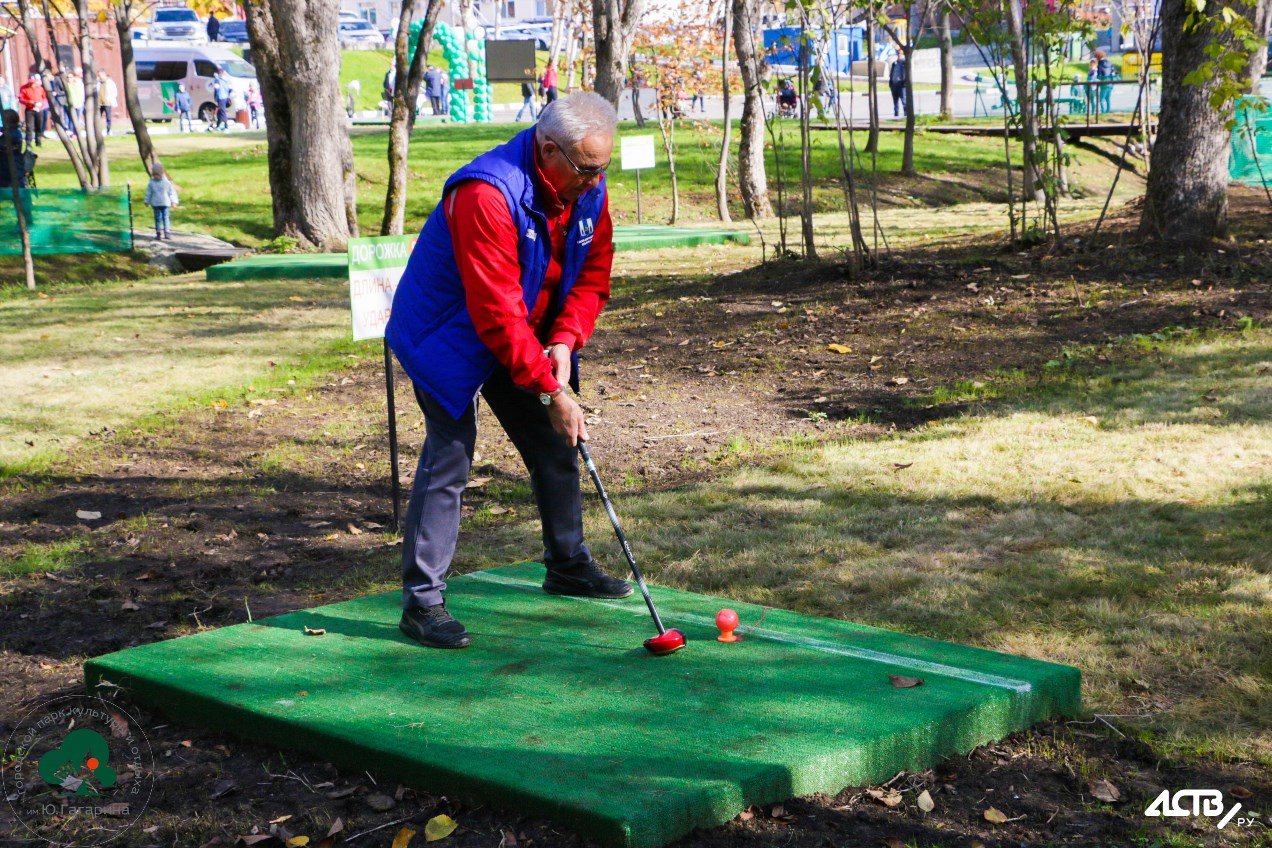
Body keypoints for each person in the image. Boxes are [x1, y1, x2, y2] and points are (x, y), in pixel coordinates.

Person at [385, 92, 627, 649]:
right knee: (450, 456)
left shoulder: (589, 187)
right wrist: (551, 390)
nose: (595, 182)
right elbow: (495, 311)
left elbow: (592, 277)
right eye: (587, 170)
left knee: (554, 444)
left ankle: (567, 563)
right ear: (548, 150)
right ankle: (422, 603)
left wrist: (565, 341)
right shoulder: (485, 194)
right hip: (448, 332)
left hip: (527, 327)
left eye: (603, 167)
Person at [143, 162, 179, 240]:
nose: (156, 176)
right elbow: (148, 193)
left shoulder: (166, 183)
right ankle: (158, 232)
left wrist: (174, 201)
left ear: (161, 174)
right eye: (154, 174)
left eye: (157, 175)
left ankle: (167, 232)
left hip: (165, 203)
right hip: (155, 204)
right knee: (157, 218)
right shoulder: (151, 183)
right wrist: (146, 201)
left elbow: (171, 192)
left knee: (166, 217)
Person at [18, 74, 48, 148]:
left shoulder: (40, 88)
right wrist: (29, 102)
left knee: (39, 126)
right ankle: (28, 143)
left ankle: (38, 142)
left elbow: (45, 98)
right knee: (29, 126)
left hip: (39, 109)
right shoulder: (24, 88)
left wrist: (41, 104)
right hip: (29, 109)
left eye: (33, 82)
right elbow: (21, 99)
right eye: (30, 82)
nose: (32, 84)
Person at [0, 109, 27, 189]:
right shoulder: (14, 131)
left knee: (17, 189)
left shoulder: (13, 134)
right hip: (10, 166)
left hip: (10, 166)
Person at [1094, 49, 1114, 115]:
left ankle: (1103, 111)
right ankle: (1108, 110)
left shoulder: (1100, 64)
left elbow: (1099, 74)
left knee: (1101, 99)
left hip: (1103, 83)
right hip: (1110, 82)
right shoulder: (1109, 62)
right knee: (1107, 98)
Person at [98, 70, 118, 135]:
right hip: (99, 102)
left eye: (100, 75)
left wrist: (110, 99)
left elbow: (114, 91)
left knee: (108, 117)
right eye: (99, 75)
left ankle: (108, 130)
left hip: (107, 102)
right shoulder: (98, 83)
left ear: (104, 74)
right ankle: (98, 130)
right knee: (98, 117)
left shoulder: (109, 82)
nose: (99, 76)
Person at [67, 70, 85, 136]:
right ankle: (72, 132)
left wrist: (80, 103)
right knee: (71, 119)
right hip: (71, 105)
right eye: (68, 77)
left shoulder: (78, 84)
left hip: (79, 104)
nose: (70, 79)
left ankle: (76, 132)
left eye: (71, 77)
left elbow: (80, 94)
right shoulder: (67, 85)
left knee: (77, 119)